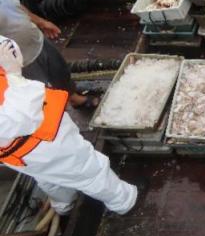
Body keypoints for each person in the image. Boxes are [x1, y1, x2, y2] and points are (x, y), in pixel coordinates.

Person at [0, 36, 137, 215]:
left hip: (20, 153)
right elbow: (21, 118)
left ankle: (64, 205)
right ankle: (124, 201)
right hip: (41, 141)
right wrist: (14, 75)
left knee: (48, 176)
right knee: (89, 170)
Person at [0, 0, 97, 110]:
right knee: (40, 96)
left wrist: (41, 22)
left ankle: (73, 98)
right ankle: (59, 116)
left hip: (36, 39)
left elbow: (14, 5)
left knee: (60, 71)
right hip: (18, 61)